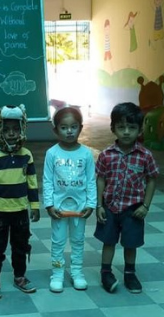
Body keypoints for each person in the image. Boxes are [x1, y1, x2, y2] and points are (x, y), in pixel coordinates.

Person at [95, 102, 158, 294]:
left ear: (140, 130)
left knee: (131, 243)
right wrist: (99, 205)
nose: (126, 132)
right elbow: (100, 179)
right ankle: (106, 272)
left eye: (132, 127)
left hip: (133, 209)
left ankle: (130, 274)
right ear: (113, 128)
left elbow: (152, 180)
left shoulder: (145, 155)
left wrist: (145, 206)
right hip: (110, 207)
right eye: (121, 127)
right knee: (108, 241)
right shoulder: (106, 155)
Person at [0, 104, 40, 299]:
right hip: (0, 212)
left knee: (21, 245)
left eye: (16, 129)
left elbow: (32, 182)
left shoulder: (26, 155)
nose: (11, 133)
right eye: (6, 129)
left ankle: (19, 277)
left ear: (22, 129)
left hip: (20, 210)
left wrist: (35, 206)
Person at [42, 107, 96, 293]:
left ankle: (77, 272)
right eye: (64, 128)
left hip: (80, 207)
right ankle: (57, 274)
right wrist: (49, 204)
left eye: (74, 127)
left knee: (78, 241)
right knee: (58, 242)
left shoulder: (86, 154)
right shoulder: (52, 153)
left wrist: (91, 204)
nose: (69, 131)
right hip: (58, 208)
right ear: (56, 130)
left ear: (80, 128)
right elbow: (47, 180)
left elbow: (91, 180)